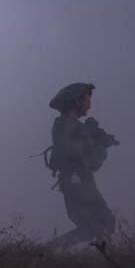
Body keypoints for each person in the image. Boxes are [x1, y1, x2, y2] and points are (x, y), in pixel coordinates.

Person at [47, 82, 116, 251]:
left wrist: (101, 145)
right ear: (77, 101)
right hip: (78, 180)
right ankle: (110, 260)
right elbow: (66, 147)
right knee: (103, 220)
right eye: (87, 100)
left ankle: (44, 250)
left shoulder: (68, 124)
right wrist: (94, 141)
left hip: (75, 179)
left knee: (90, 227)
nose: (89, 105)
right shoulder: (67, 123)